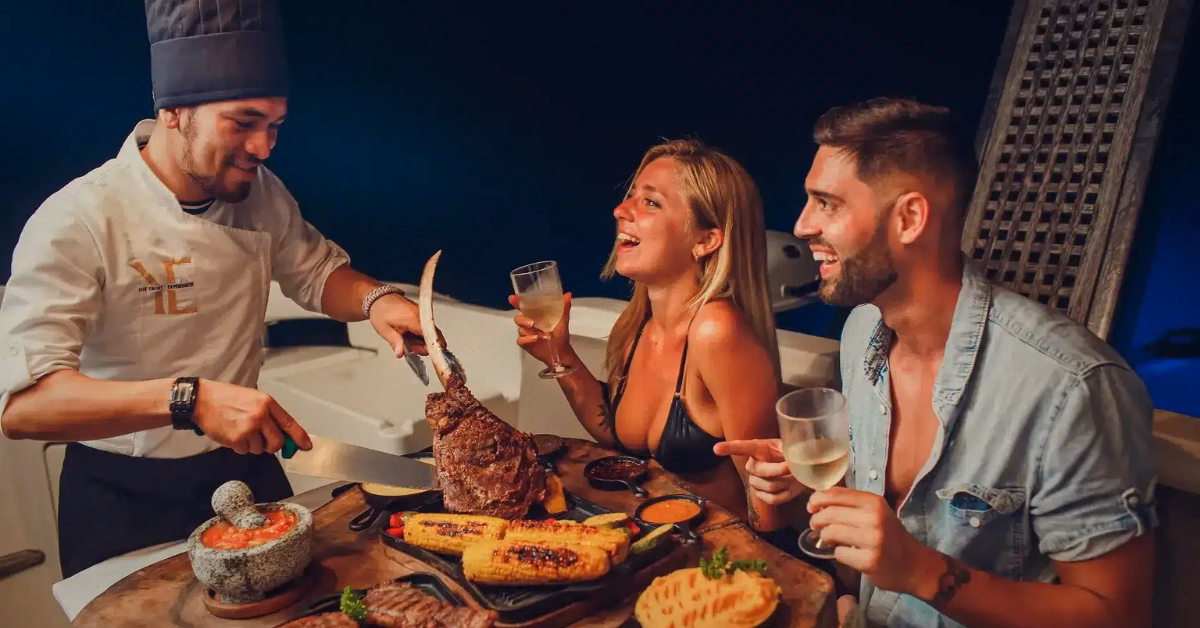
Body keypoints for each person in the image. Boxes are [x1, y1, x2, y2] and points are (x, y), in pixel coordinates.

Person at [0, 0, 440, 578]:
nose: (263, 148)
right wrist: (188, 400)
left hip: (247, 476)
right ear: (174, 111)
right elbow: (25, 407)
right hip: (125, 501)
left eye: (275, 126)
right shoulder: (78, 220)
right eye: (244, 122)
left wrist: (374, 299)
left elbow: (314, 271)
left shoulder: (261, 193)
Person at [717, 97, 1157, 627]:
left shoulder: (1071, 387)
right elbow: (875, 526)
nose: (802, 224)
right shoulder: (862, 331)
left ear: (909, 218)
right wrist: (806, 487)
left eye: (826, 203)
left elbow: (1117, 615)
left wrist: (921, 571)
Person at [509, 139, 790, 535]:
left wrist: (757, 577)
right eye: (629, 197)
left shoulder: (716, 331)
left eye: (651, 203)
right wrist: (561, 355)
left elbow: (765, 493)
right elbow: (615, 434)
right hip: (654, 541)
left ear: (705, 241)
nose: (621, 210)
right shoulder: (636, 323)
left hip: (718, 553)